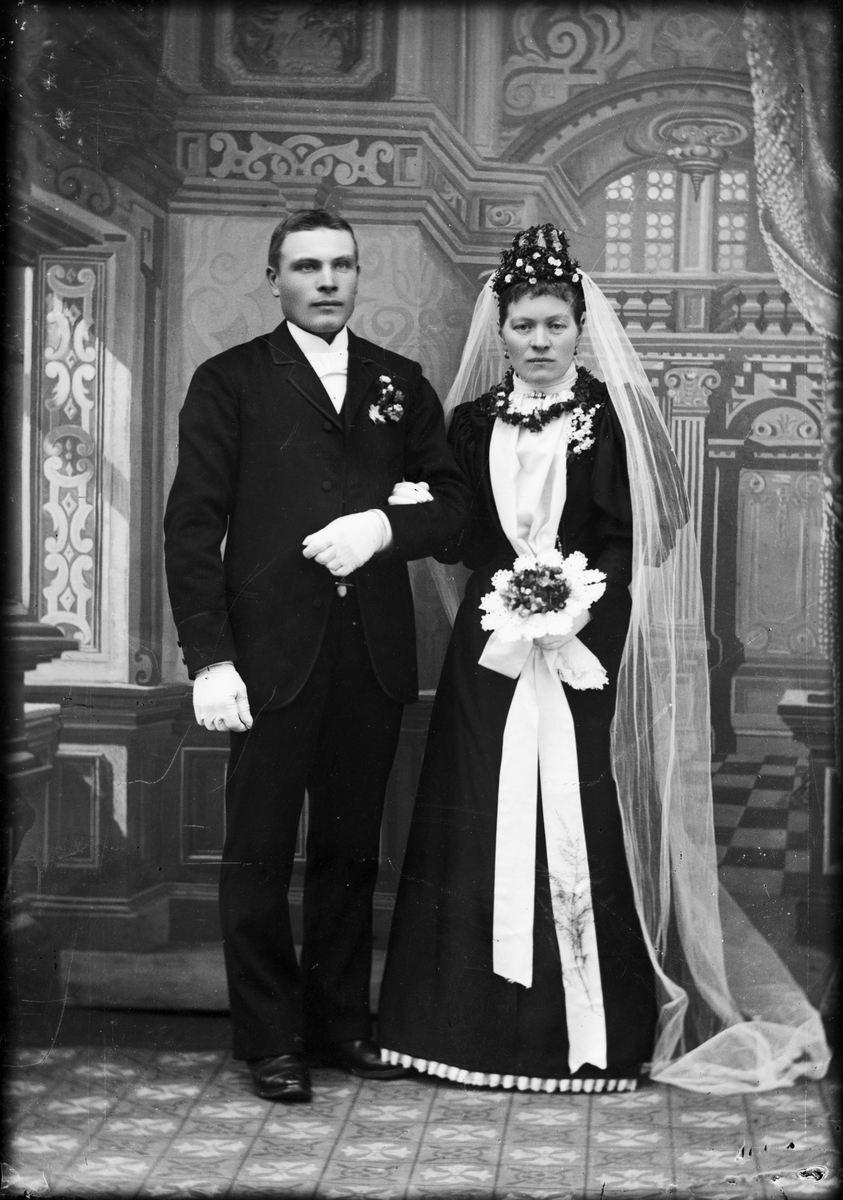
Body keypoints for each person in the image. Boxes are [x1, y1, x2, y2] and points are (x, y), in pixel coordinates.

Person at [378, 224, 829, 1094]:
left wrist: (572, 610)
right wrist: (423, 513)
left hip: (583, 649)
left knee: (576, 817)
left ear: (580, 328)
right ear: (500, 331)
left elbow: (644, 536)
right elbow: (462, 537)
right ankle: (464, 1033)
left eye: (554, 325)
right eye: (522, 326)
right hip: (488, 656)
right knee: (479, 814)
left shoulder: (614, 420)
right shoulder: (470, 425)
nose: (538, 342)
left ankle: (579, 1037)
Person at [163, 209, 469, 1104]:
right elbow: (192, 530)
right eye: (306, 266)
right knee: (258, 853)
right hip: (267, 661)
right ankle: (270, 1041)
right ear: (275, 280)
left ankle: (338, 1028)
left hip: (370, 656)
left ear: (358, 275)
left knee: (349, 852)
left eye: (341, 265)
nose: (327, 281)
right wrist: (209, 659)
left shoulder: (399, 382)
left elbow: (453, 507)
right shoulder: (229, 381)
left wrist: (382, 527)